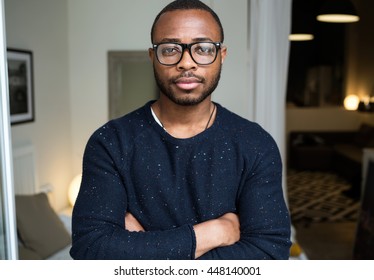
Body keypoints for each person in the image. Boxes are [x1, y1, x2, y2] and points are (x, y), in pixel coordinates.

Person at [70, 0, 291, 260]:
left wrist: (143, 246)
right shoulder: (110, 142)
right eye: (170, 49)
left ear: (221, 55)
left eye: (203, 48)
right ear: (153, 57)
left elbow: (269, 254)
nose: (186, 63)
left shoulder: (255, 144)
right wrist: (214, 233)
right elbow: (91, 249)